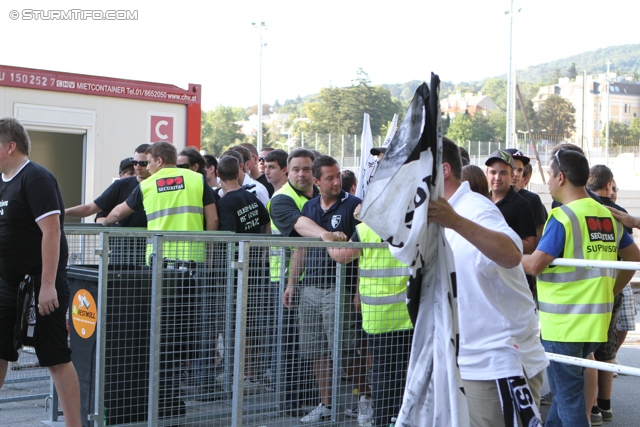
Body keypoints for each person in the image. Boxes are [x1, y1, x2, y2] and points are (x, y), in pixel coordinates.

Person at [428, 138, 547, 427]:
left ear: (443, 170)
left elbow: (511, 251)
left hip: (499, 361)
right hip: (466, 358)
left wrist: (455, 221)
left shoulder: (474, 208)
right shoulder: (441, 212)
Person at [522, 149, 640, 427]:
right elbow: (634, 258)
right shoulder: (608, 215)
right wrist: (610, 290)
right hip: (595, 324)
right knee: (564, 401)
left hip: (564, 326)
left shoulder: (562, 217)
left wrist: (501, 253)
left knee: (571, 404)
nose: (548, 182)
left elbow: (534, 265)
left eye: (550, 176)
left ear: (560, 177)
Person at [0, 117, 81, 427]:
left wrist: (47, 285)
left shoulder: (36, 178)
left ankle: (75, 424)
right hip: (7, 283)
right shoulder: (3, 181)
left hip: (40, 283)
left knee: (55, 357)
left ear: (10, 146)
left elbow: (51, 233)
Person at [283, 155, 368, 424]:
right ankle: (327, 404)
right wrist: (292, 284)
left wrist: (357, 291)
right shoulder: (309, 207)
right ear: (317, 181)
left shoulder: (354, 206)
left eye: (338, 175)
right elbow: (301, 248)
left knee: (344, 349)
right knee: (316, 351)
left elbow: (365, 252)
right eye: (329, 177)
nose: (336, 181)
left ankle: (365, 399)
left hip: (339, 288)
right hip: (310, 289)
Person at [322, 218, 413, 427]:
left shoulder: (365, 229)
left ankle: (383, 420)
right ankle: (403, 417)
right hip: (409, 314)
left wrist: (326, 237)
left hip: (378, 317)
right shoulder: (411, 225)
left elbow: (341, 256)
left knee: (383, 370)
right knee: (407, 368)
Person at [586, 164, 634, 423]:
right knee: (606, 348)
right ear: (608, 184)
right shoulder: (619, 213)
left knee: (588, 348)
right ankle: (604, 405)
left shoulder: (579, 209)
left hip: (590, 289)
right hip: (613, 286)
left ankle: (591, 407)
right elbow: (630, 256)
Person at [103, 142, 218, 237]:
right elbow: (213, 219)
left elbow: (118, 213)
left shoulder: (147, 184)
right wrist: (209, 252)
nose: (147, 167)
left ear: (159, 161)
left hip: (158, 255)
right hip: (193, 255)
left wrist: (105, 222)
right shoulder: (197, 179)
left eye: (148, 162)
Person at [66, 144, 150, 227]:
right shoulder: (120, 185)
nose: (138, 167)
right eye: (135, 163)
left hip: (152, 239)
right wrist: (62, 212)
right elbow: (90, 208)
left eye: (143, 163)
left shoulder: (158, 185)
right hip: (121, 239)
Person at [485, 149, 537, 254]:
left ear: (511, 176)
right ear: (487, 174)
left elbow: (530, 246)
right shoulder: (482, 201)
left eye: (503, 173)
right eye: (493, 172)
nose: (497, 178)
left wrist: (496, 241)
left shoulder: (522, 205)